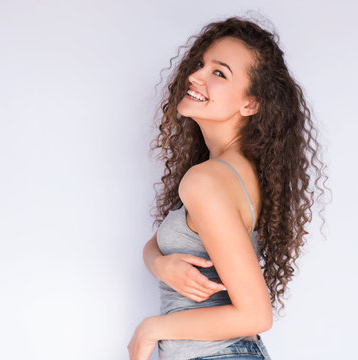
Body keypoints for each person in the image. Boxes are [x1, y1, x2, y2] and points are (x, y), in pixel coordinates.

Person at [128, 16, 329, 360]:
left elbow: (255, 315)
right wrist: (161, 265)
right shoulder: (231, 173)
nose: (195, 76)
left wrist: (152, 328)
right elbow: (155, 244)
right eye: (201, 65)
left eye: (218, 73)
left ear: (250, 104)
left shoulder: (207, 179)